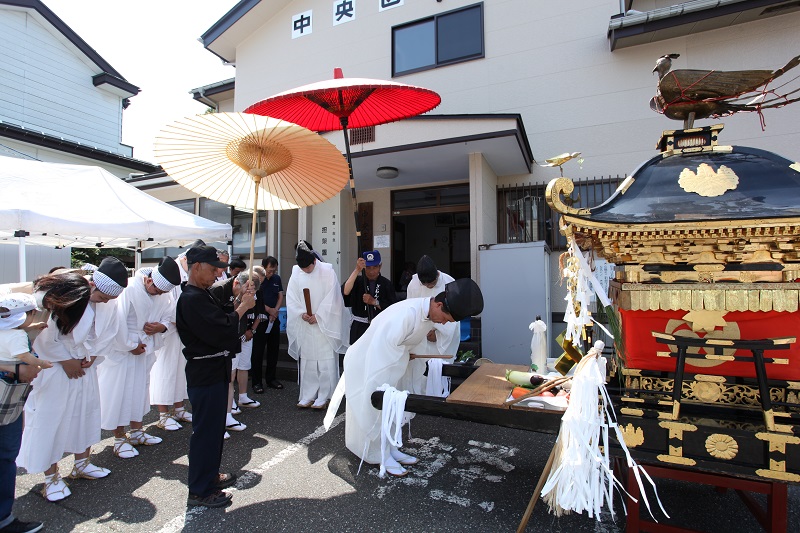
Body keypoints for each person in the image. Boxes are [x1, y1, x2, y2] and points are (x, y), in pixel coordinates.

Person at [328, 278, 483, 477]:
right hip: (366, 362)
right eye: (446, 318)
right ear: (438, 304)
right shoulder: (408, 314)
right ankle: (378, 454)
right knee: (376, 408)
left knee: (395, 405)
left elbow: (409, 344)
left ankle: (391, 448)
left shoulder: (426, 313)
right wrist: (404, 355)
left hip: (391, 364)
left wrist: (409, 354)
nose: (443, 323)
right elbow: (382, 351)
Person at [18, 258, 128, 502]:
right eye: (103, 297)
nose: (107, 302)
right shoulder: (67, 295)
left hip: (84, 368)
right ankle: (51, 477)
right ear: (93, 287)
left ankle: (82, 463)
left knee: (85, 415)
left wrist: (93, 357)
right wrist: (66, 360)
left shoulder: (108, 304)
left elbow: (108, 335)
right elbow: (45, 335)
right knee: (51, 419)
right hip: (54, 368)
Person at [176, 245, 255, 508]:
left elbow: (220, 317)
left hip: (214, 369)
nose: (215, 275)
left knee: (214, 430)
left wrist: (238, 300)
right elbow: (219, 329)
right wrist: (243, 307)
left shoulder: (202, 294)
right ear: (196, 267)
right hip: (205, 371)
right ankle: (199, 489)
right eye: (212, 269)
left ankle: (209, 476)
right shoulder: (190, 298)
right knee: (206, 433)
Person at [97, 258, 180, 458]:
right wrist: (130, 345)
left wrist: (161, 327)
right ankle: (119, 438)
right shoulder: (130, 289)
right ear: (150, 281)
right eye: (158, 291)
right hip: (124, 350)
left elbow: (169, 316)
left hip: (145, 348)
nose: (160, 294)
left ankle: (136, 431)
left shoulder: (163, 294)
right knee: (121, 393)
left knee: (139, 391)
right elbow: (118, 320)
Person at [0, 293, 45, 533]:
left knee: (6, 456)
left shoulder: (14, 332)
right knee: (6, 455)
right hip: (6, 395)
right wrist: (17, 368)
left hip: (9, 397)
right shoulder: (15, 336)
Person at [286, 240, 349, 409]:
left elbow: (333, 297)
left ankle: (325, 395)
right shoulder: (296, 272)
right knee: (308, 360)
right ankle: (308, 394)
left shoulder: (327, 271)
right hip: (306, 323)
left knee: (325, 360)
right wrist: (302, 313)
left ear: (314, 260)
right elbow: (291, 297)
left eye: (308, 267)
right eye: (302, 268)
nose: (306, 271)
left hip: (324, 324)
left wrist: (319, 316)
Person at [150, 249, 199, 432]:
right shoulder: (170, 271)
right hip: (168, 330)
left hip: (181, 329)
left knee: (180, 370)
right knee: (166, 370)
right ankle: (163, 414)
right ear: (185, 258)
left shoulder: (185, 273)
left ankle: (179, 407)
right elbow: (167, 306)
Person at [209, 271, 261, 436]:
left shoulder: (242, 294)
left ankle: (226, 416)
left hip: (235, 338)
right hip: (217, 343)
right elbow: (220, 319)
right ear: (237, 284)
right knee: (220, 381)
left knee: (229, 378)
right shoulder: (218, 290)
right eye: (247, 290)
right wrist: (242, 302)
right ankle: (215, 422)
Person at [402, 255, 460, 395]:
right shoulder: (413, 284)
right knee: (418, 366)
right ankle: (419, 396)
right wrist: (421, 331)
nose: (429, 286)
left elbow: (453, 315)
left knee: (438, 367)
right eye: (425, 284)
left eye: (432, 283)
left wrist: (437, 332)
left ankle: (438, 395)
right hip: (420, 333)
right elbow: (411, 309)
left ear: (437, 275)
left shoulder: (449, 283)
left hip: (442, 333)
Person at [342, 250, 397, 345]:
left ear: (380, 266)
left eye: (375, 267)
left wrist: (375, 302)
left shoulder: (386, 284)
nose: (371, 271)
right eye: (368, 267)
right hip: (359, 326)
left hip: (379, 327)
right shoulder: (357, 281)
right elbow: (345, 291)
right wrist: (357, 270)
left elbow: (393, 307)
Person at [251, 257, 284, 393]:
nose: (271, 274)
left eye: (273, 271)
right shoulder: (257, 279)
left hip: (273, 318)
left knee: (273, 349)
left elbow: (280, 295)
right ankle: (256, 382)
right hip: (260, 319)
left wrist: (275, 310)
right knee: (258, 351)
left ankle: (271, 378)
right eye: (269, 271)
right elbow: (255, 299)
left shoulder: (276, 279)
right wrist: (268, 310)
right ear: (263, 267)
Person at [0, 293, 52, 371]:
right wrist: (41, 363)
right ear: (23, 316)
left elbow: (14, 332)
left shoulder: (4, 330)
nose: (33, 318)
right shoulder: (18, 335)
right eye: (33, 314)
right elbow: (23, 356)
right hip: (14, 371)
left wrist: (34, 326)